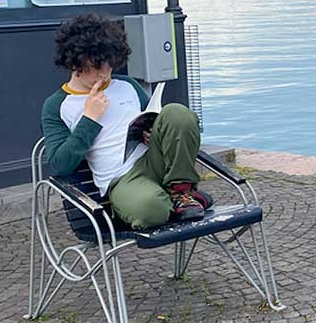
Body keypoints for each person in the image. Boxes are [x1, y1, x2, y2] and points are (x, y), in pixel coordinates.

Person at [42, 13, 211, 227]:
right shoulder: (57, 105)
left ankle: (181, 192)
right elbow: (60, 165)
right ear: (74, 62)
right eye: (97, 66)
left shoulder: (127, 85)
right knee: (151, 211)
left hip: (156, 160)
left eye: (110, 65)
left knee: (177, 113)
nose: (105, 74)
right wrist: (89, 119)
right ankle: (180, 200)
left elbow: (153, 117)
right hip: (122, 178)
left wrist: (150, 132)